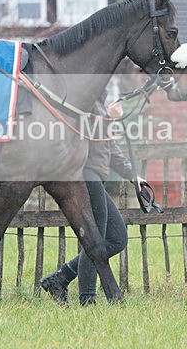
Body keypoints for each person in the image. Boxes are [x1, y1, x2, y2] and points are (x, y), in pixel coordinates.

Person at [40, 91, 142, 305]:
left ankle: (60, 278)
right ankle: (87, 299)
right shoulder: (81, 99)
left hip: (95, 176)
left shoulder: (99, 102)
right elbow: (81, 133)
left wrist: (133, 176)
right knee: (94, 239)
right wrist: (109, 119)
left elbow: (108, 146)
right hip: (84, 174)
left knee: (117, 238)